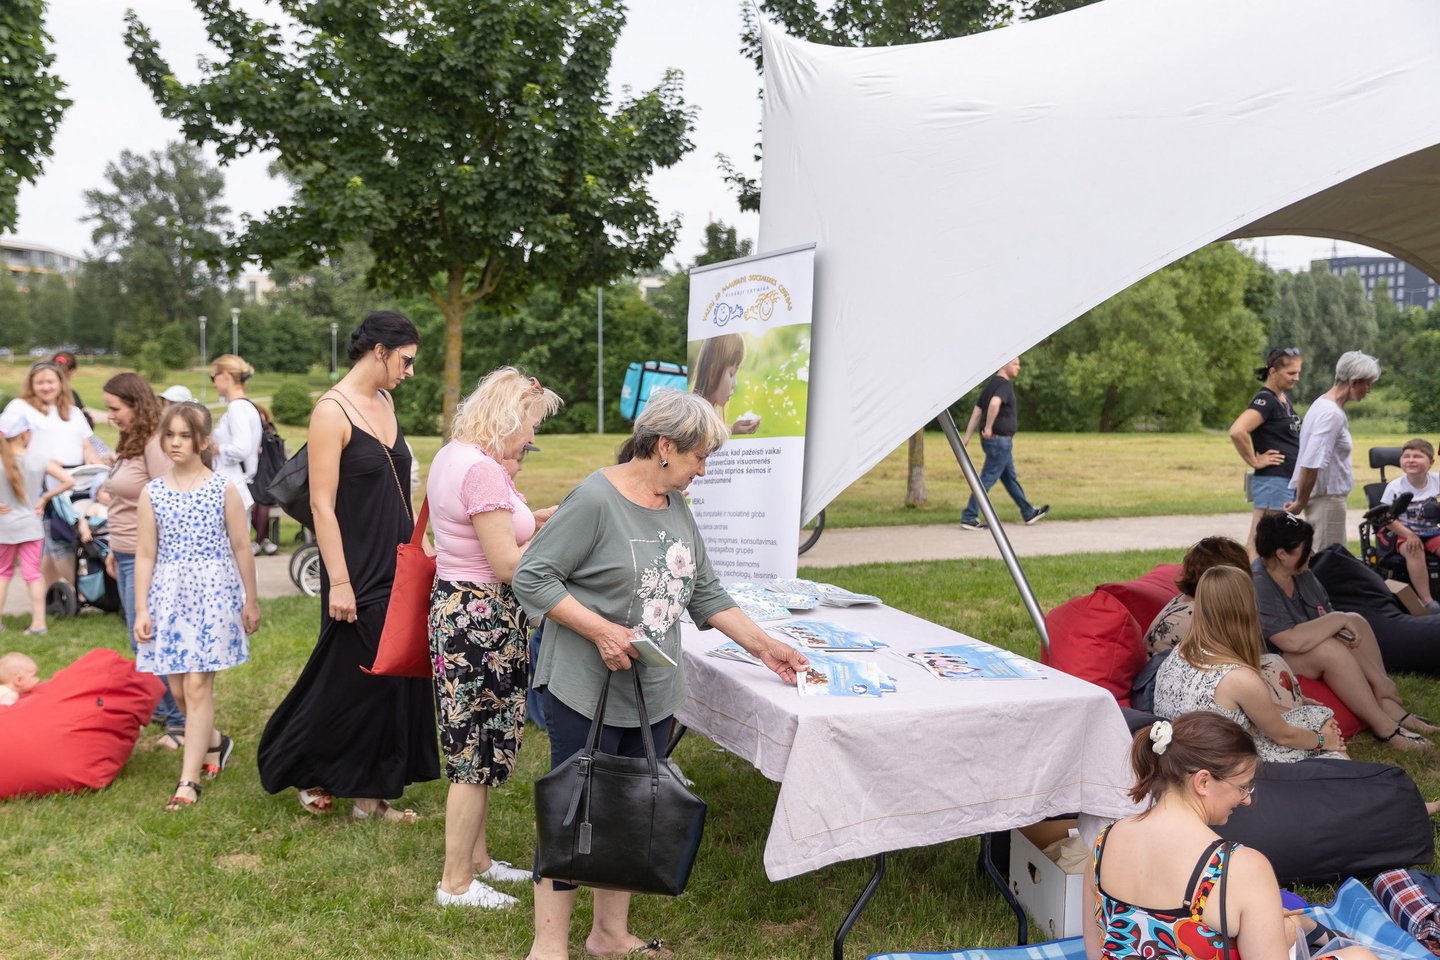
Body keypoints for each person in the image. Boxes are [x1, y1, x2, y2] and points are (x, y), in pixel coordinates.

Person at [512, 390, 809, 960]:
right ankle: (548, 946)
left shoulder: (676, 504)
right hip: (586, 689)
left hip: (650, 692)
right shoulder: (596, 498)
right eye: (699, 457)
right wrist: (600, 629)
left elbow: (705, 592)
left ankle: (608, 936)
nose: (703, 469)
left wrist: (766, 646)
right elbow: (533, 576)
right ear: (665, 447)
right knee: (576, 811)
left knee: (626, 811)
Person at [257, 311, 439, 821]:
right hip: (354, 569)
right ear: (379, 350)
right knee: (351, 681)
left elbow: (397, 489)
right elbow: (321, 505)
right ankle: (291, 758)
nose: (409, 371)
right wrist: (339, 581)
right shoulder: (330, 412)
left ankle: (368, 796)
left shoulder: (386, 399)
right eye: (405, 360)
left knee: (387, 678)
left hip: (397, 560)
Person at [1084, 711, 1377, 960]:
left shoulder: (1104, 842)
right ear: (1202, 781)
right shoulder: (1236, 868)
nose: (1246, 799)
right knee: (1360, 957)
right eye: (1243, 786)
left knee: (1283, 926)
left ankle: (1298, 926)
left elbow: (1096, 951)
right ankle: (1301, 928)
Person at [428, 367, 562, 909]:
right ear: (507, 417)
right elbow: (507, 562)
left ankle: (478, 860)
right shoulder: (482, 471)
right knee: (473, 752)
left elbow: (496, 528)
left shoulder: (453, 455)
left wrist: (548, 518)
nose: (530, 438)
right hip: (481, 618)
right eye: (528, 425)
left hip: (460, 610)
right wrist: (561, 549)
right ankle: (455, 883)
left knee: (474, 745)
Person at [133, 402, 260, 811]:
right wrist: (141, 608)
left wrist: (250, 599)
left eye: (184, 435)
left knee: (197, 685)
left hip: (214, 594)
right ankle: (215, 742)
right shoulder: (151, 492)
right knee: (176, 687)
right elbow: (146, 554)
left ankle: (188, 782)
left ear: (203, 441)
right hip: (168, 595)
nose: (174, 443)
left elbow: (243, 546)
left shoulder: (223, 489)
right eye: (168, 434)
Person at [1253, 510, 1435, 751]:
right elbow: (1289, 641)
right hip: (1272, 661)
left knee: (1355, 621)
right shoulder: (1259, 583)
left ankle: (1390, 706)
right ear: (1282, 554)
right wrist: (1339, 619)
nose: (1312, 553)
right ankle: (1385, 728)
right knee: (1330, 645)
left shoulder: (1301, 574)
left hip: (1303, 646)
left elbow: (1328, 621)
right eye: (1305, 549)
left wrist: (1378, 679)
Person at [1154, 565, 1345, 763]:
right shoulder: (1238, 677)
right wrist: (1323, 740)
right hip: (1226, 766)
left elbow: (1253, 710)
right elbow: (1283, 735)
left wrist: (1306, 715)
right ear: (1247, 609)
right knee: (1329, 745)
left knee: (1315, 717)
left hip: (1186, 757)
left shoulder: (1182, 651)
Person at [99, 373, 187, 748]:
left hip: (144, 555)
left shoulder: (155, 444)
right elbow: (124, 500)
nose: (110, 416)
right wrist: (112, 551)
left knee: (147, 639)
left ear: (135, 404)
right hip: (124, 551)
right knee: (140, 638)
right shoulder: (132, 440)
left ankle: (181, 723)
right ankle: (167, 710)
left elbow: (169, 505)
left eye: (114, 409)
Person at [1142, 537, 1310, 712]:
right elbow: (1238, 672)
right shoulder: (1205, 616)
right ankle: (1305, 732)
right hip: (1191, 705)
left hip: (1168, 697)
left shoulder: (1185, 602)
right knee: (1273, 666)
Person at [2, 360, 101, 587]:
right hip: (41, 482)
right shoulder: (20, 407)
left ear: (60, 383)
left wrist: (93, 457)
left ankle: (48, 594)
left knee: (50, 542)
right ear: (31, 384)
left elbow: (86, 443)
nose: (46, 387)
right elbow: (8, 443)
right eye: (40, 382)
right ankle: (77, 588)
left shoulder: (73, 412)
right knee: (58, 537)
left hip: (73, 481)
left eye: (50, 382)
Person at [1285, 350, 1381, 551]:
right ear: (1354, 382)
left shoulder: (1322, 404)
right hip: (1327, 500)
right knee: (1328, 560)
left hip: (1322, 498)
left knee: (1323, 557)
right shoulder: (1331, 414)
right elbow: (1312, 462)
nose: (1369, 390)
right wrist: (1300, 502)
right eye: (1367, 383)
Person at [0, 408, 78, 636]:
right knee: (33, 574)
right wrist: (44, 497)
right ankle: (39, 623)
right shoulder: (38, 459)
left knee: (3, 573)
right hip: (32, 526)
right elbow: (69, 480)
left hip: (4, 527)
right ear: (25, 434)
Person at [1228, 347, 1303, 557]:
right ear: (1272, 372)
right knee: (1262, 542)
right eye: (1291, 373)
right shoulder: (1266, 400)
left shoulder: (1283, 399)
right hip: (1273, 480)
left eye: (1298, 373)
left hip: (1285, 479)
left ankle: (1258, 585)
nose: (1296, 378)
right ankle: (1254, 587)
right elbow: (1237, 431)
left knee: (1271, 540)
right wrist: (1254, 460)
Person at [960, 357, 1049, 530]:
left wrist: (968, 435)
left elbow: (977, 411)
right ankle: (969, 516)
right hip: (999, 441)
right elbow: (994, 404)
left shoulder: (990, 384)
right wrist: (988, 427)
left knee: (1009, 478)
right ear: (1003, 364)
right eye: (1015, 364)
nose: (1018, 368)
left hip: (994, 442)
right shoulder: (1004, 385)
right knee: (987, 478)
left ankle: (1028, 512)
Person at [1376, 438, 1440, 612]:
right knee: (1414, 549)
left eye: (1417, 456)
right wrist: (1409, 535)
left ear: (1431, 462)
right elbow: (1387, 518)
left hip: (1432, 531)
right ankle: (1428, 601)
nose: (1411, 460)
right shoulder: (1395, 487)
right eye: (1406, 456)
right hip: (1401, 532)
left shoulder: (1437, 481)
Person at [209, 355, 263, 534]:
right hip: (237, 486)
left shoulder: (237, 408)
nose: (213, 384)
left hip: (232, 485)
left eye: (213, 377)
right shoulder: (246, 406)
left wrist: (215, 448)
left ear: (224, 375)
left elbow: (241, 449)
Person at [692, 334, 759, 434]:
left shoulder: (714, 411)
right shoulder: (697, 416)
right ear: (712, 372)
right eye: (731, 374)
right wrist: (731, 430)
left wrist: (732, 430)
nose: (735, 384)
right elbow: (704, 441)